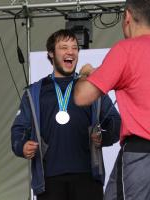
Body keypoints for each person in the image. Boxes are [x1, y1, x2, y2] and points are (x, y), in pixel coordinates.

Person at [74, 0, 150, 200]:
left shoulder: (126, 49)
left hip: (141, 158)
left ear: (127, 16)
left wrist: (85, 74)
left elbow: (81, 96)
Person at [11, 29, 121, 200]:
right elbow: (18, 130)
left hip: (88, 179)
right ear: (51, 54)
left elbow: (114, 121)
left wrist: (104, 138)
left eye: (74, 47)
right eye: (63, 47)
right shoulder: (33, 92)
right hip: (49, 181)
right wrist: (22, 146)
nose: (70, 51)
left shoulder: (90, 87)